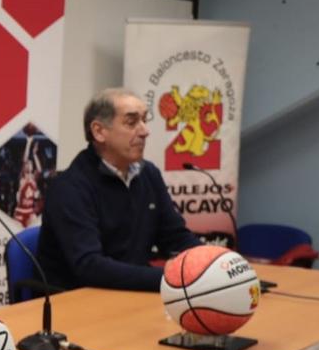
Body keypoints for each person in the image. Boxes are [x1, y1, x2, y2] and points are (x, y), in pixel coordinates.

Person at [38, 88, 200, 291]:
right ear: (99, 132)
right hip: (80, 303)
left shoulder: (148, 174)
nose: (144, 131)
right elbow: (89, 267)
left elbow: (175, 237)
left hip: (133, 293)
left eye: (144, 120)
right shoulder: (69, 187)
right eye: (132, 123)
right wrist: (171, 278)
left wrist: (211, 265)